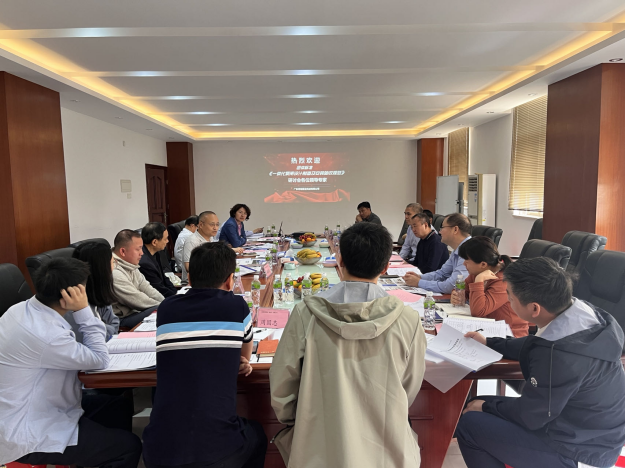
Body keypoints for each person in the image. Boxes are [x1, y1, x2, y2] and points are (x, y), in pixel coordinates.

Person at [270, 222, 427, 468]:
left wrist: (299, 423)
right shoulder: (408, 319)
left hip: (318, 448)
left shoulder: (305, 314)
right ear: (386, 267)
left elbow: (282, 385)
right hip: (387, 450)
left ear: (340, 261)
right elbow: (408, 386)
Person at [457, 257, 625, 468]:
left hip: (578, 452)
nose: (508, 301)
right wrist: (490, 342)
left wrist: (486, 406)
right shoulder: (586, 314)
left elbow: (531, 416)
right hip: (592, 432)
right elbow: (537, 342)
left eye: (510, 297)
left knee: (470, 423)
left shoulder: (558, 357)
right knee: (477, 404)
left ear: (534, 309)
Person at [0, 258, 142, 468]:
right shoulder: (47, 335)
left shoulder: (20, 309)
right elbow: (100, 359)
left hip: (42, 406)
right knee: (128, 447)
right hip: (28, 429)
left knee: (117, 406)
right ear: (71, 294)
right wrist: (84, 310)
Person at [142, 242, 266, 468]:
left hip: (157, 450)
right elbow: (244, 356)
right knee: (257, 434)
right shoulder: (237, 306)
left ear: (189, 279)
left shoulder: (167, 308)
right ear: (230, 280)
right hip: (217, 451)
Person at [454, 236, 529, 337]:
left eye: (467, 261)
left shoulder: (503, 280)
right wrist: (456, 296)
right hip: (486, 328)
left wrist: (479, 281)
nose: (464, 264)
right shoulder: (478, 271)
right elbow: (463, 291)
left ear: (483, 264)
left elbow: (479, 312)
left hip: (509, 335)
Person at [404, 212, 471, 293]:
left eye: (442, 227)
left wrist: (419, 282)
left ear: (455, 230)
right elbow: (442, 274)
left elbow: (451, 286)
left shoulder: (469, 251)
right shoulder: (458, 250)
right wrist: (420, 277)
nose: (440, 231)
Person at [66, 242, 120, 342]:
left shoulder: (99, 290)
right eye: (113, 262)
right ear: (102, 268)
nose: (114, 267)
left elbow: (114, 322)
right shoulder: (74, 301)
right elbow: (94, 336)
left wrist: (105, 329)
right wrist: (105, 329)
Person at [112, 229, 164, 329]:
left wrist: (166, 302)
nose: (142, 253)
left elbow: (147, 288)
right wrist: (166, 306)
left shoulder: (130, 264)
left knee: (164, 308)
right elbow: (138, 300)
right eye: (138, 249)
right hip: (122, 319)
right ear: (123, 251)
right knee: (161, 309)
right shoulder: (115, 272)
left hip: (135, 311)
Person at [182, 211, 244, 283]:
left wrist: (232, 250)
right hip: (196, 282)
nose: (215, 228)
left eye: (217, 225)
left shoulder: (210, 237)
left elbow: (216, 252)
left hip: (211, 277)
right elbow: (188, 267)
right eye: (212, 225)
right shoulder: (191, 241)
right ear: (201, 225)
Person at [139, 222, 177, 298]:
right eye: (165, 239)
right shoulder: (144, 263)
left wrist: (176, 293)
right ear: (154, 242)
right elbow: (157, 287)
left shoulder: (156, 253)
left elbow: (164, 278)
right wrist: (175, 297)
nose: (167, 241)